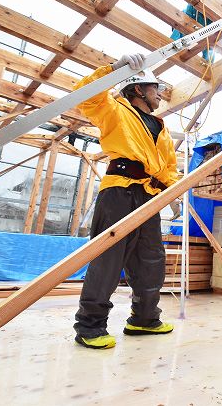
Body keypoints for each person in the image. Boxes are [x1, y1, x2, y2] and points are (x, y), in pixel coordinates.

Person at [72, 53, 179, 349]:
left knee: (151, 259)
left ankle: (144, 319)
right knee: (108, 258)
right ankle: (90, 327)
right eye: (154, 87)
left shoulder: (160, 125)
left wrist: (172, 192)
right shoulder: (114, 109)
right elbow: (85, 97)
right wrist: (113, 71)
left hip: (150, 197)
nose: (159, 93)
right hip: (120, 190)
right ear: (137, 89)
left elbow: (168, 165)